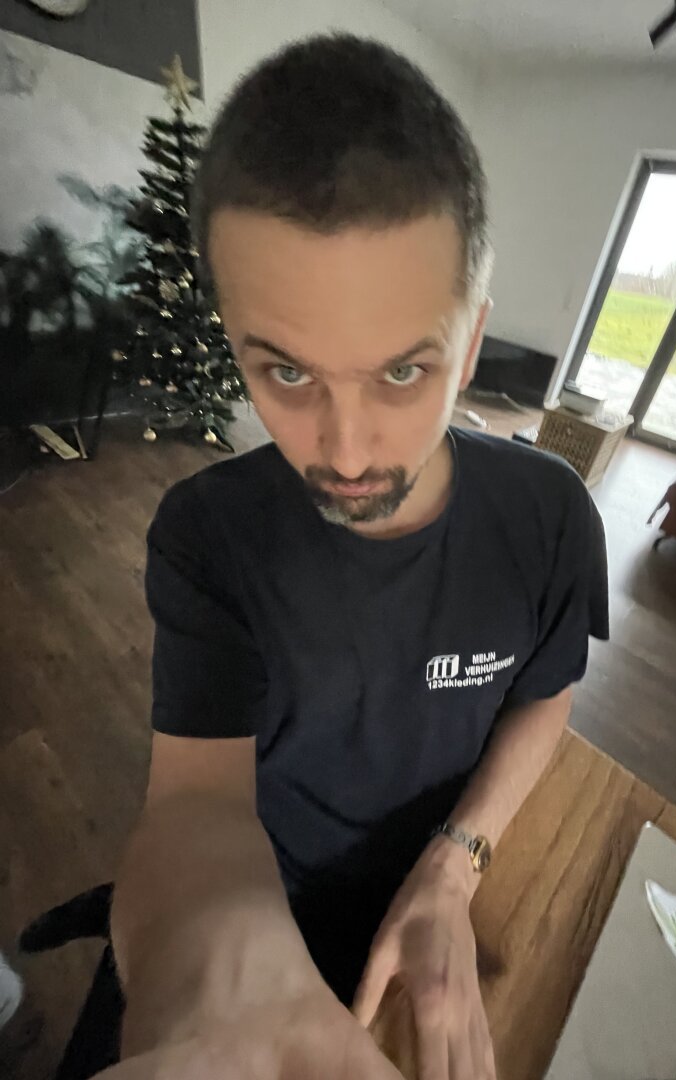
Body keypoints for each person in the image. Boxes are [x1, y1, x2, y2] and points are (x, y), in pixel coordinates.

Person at [100, 33, 608, 1080]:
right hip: (267, 902)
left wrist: (456, 862)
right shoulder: (209, 534)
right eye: (285, 372)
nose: (343, 451)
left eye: (403, 372)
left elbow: (546, 692)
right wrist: (222, 989)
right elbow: (196, 807)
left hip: (454, 888)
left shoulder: (553, 517)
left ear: (470, 346)